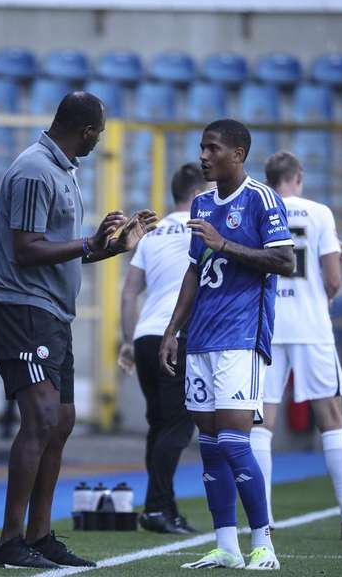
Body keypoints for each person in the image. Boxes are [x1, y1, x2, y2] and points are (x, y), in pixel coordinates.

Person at [0, 91, 157, 569]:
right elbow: (26, 250)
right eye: (98, 133)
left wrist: (113, 246)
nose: (99, 140)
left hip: (54, 310)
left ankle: (39, 536)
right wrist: (86, 241)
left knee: (60, 421)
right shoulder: (34, 170)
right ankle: (10, 542)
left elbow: (67, 249)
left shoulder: (61, 171)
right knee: (39, 417)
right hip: (21, 305)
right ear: (85, 131)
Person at [159, 119, 294, 570]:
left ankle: (264, 545)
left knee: (237, 444)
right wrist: (173, 330)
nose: (203, 156)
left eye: (211, 148)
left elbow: (284, 259)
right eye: (201, 148)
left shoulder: (261, 199)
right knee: (211, 446)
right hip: (201, 339)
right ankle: (226, 546)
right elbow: (196, 271)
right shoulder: (201, 203)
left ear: (238, 153)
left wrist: (226, 243)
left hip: (240, 338)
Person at [253, 151, 342, 540]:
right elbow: (332, 280)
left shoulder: (259, 208)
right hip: (311, 327)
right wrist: (325, 293)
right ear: (298, 177)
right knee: (331, 419)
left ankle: (264, 522)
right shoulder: (319, 213)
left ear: (269, 178)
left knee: (261, 424)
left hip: (269, 326)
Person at [119, 163, 212, 535]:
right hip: (178, 337)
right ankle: (157, 509)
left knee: (159, 427)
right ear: (197, 193)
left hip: (144, 337)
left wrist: (127, 341)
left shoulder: (153, 233)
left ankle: (165, 508)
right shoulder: (202, 229)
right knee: (176, 428)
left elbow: (129, 293)